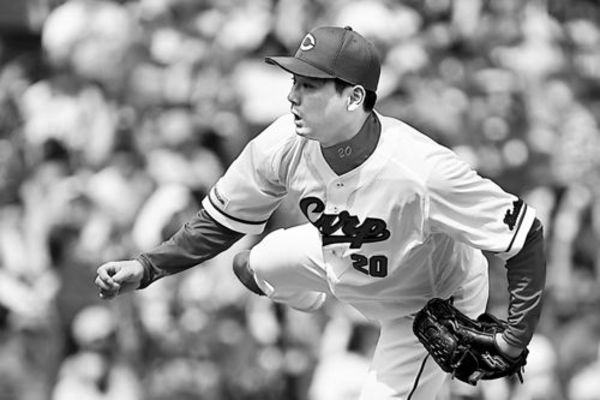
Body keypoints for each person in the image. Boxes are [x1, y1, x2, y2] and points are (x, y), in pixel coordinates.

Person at [95, 26, 547, 400]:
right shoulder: (283, 143)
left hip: (427, 301)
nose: (292, 96)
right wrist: (147, 266)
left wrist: (514, 339)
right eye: (294, 82)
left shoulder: (421, 171)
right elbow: (218, 222)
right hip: (341, 254)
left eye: (309, 86)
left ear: (353, 97)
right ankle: (314, 298)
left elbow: (525, 233)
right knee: (251, 264)